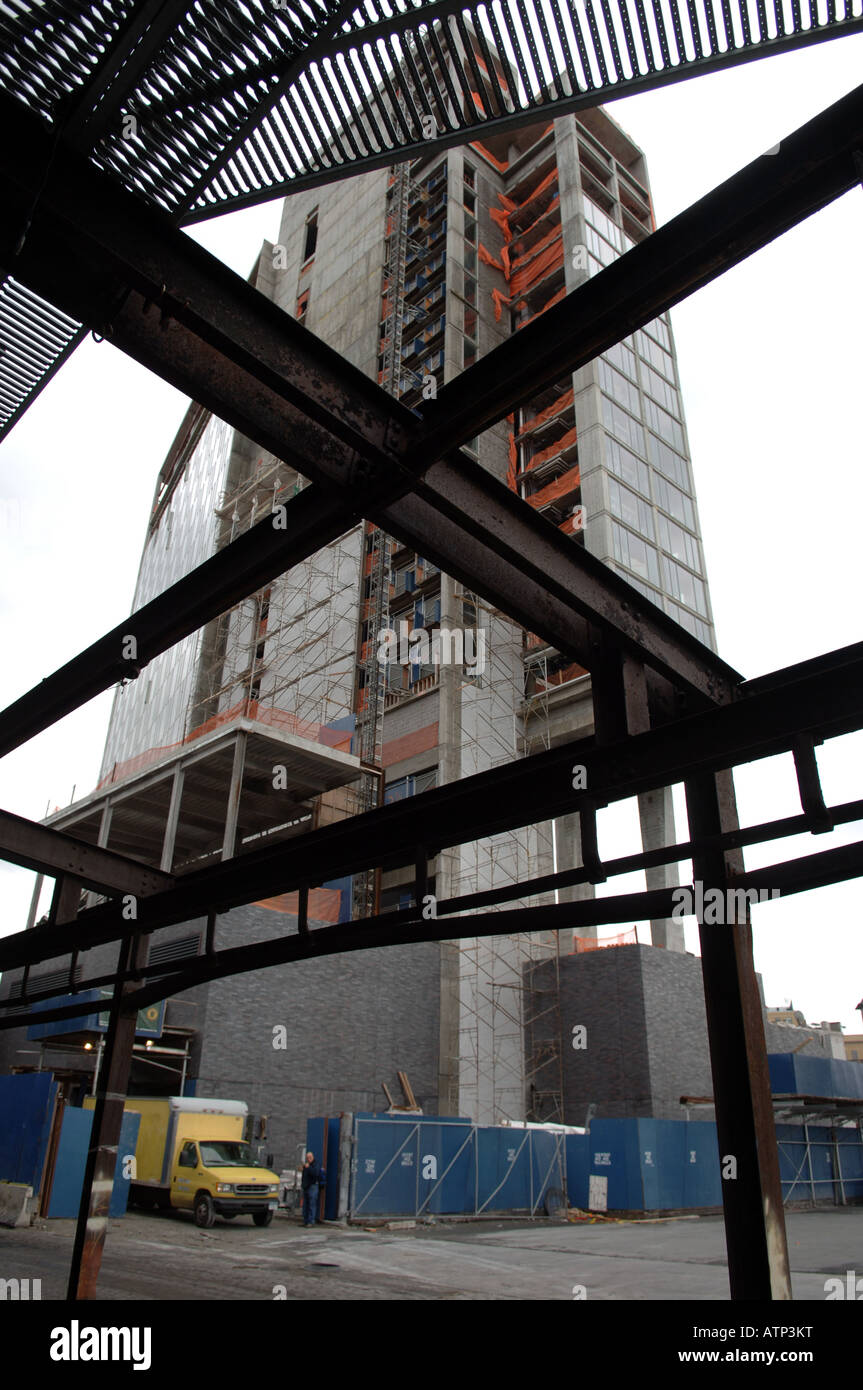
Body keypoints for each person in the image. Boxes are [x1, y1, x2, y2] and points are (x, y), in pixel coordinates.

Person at [301, 1151, 322, 1226]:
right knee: (305, 1205)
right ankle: (306, 1221)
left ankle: (311, 1221)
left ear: (313, 1157)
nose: (309, 1159)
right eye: (307, 1158)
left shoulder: (315, 1164)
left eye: (310, 1157)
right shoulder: (307, 1165)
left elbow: (316, 1173)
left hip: (313, 1186)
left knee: (312, 1204)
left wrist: (309, 1168)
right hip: (306, 1187)